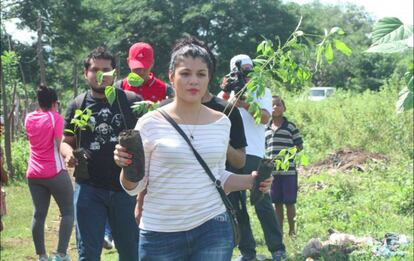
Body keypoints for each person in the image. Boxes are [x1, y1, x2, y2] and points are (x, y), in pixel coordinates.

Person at [114, 36, 272, 261]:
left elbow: (218, 177)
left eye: (201, 74)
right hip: (160, 231)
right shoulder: (150, 123)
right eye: (185, 73)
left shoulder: (221, 122)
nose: (193, 81)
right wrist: (125, 166)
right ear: (171, 77)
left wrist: (253, 179)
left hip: (213, 227)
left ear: (209, 79)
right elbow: (134, 186)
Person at [61, 47, 141, 261]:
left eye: (106, 70)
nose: (100, 75)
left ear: (114, 73)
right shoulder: (77, 105)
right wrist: (69, 154)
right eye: (95, 69)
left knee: (131, 252)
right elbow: (65, 142)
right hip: (89, 188)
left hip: (126, 189)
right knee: (88, 253)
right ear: (85, 73)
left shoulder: (131, 102)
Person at [221, 54, 286, 261]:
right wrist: (225, 93)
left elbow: (265, 118)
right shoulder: (224, 94)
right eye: (242, 72)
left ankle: (277, 249)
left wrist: (246, 102)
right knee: (236, 206)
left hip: (254, 152)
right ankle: (247, 252)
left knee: (262, 202)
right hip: (230, 155)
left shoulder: (262, 91)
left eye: (250, 70)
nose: (247, 75)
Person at [24, 85, 74, 261]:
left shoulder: (29, 117)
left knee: (39, 214)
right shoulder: (56, 118)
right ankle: (61, 254)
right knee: (68, 211)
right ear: (54, 103)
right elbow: (59, 144)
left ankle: (42, 256)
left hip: (33, 174)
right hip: (55, 172)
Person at [265, 96, 303, 236]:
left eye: (278, 105)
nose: (275, 107)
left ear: (284, 108)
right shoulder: (265, 128)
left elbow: (299, 146)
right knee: (277, 202)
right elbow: (265, 148)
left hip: (288, 171)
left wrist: (286, 156)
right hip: (273, 173)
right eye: (272, 105)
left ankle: (292, 231)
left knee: (289, 202)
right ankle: (279, 230)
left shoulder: (290, 127)